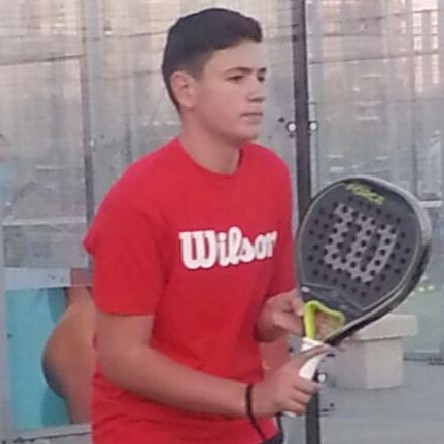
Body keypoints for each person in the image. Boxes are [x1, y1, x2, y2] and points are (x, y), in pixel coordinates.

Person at [84, 8, 327, 444]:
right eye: (236, 78)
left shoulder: (271, 175)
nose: (256, 92)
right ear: (185, 89)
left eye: (261, 76)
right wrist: (251, 397)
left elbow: (262, 318)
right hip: (149, 433)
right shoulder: (137, 202)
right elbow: (121, 357)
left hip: (247, 427)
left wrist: (274, 317)